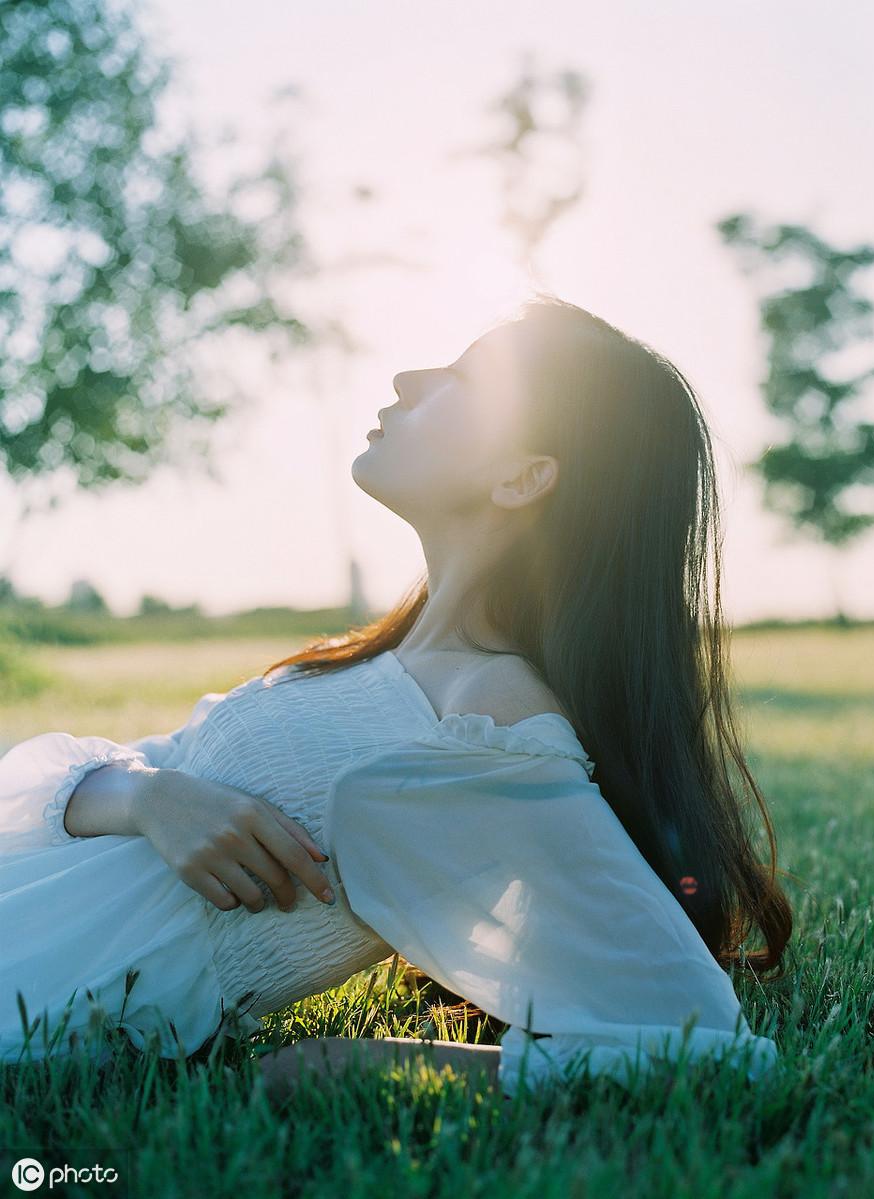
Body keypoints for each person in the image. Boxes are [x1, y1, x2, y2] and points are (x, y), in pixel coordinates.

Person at [0, 294, 792, 1101]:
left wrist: (359, 1062)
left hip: (38, 989)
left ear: (523, 477)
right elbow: (85, 787)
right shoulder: (370, 662)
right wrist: (149, 797)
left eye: (462, 378)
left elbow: (700, 1044)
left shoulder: (493, 714)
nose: (410, 378)